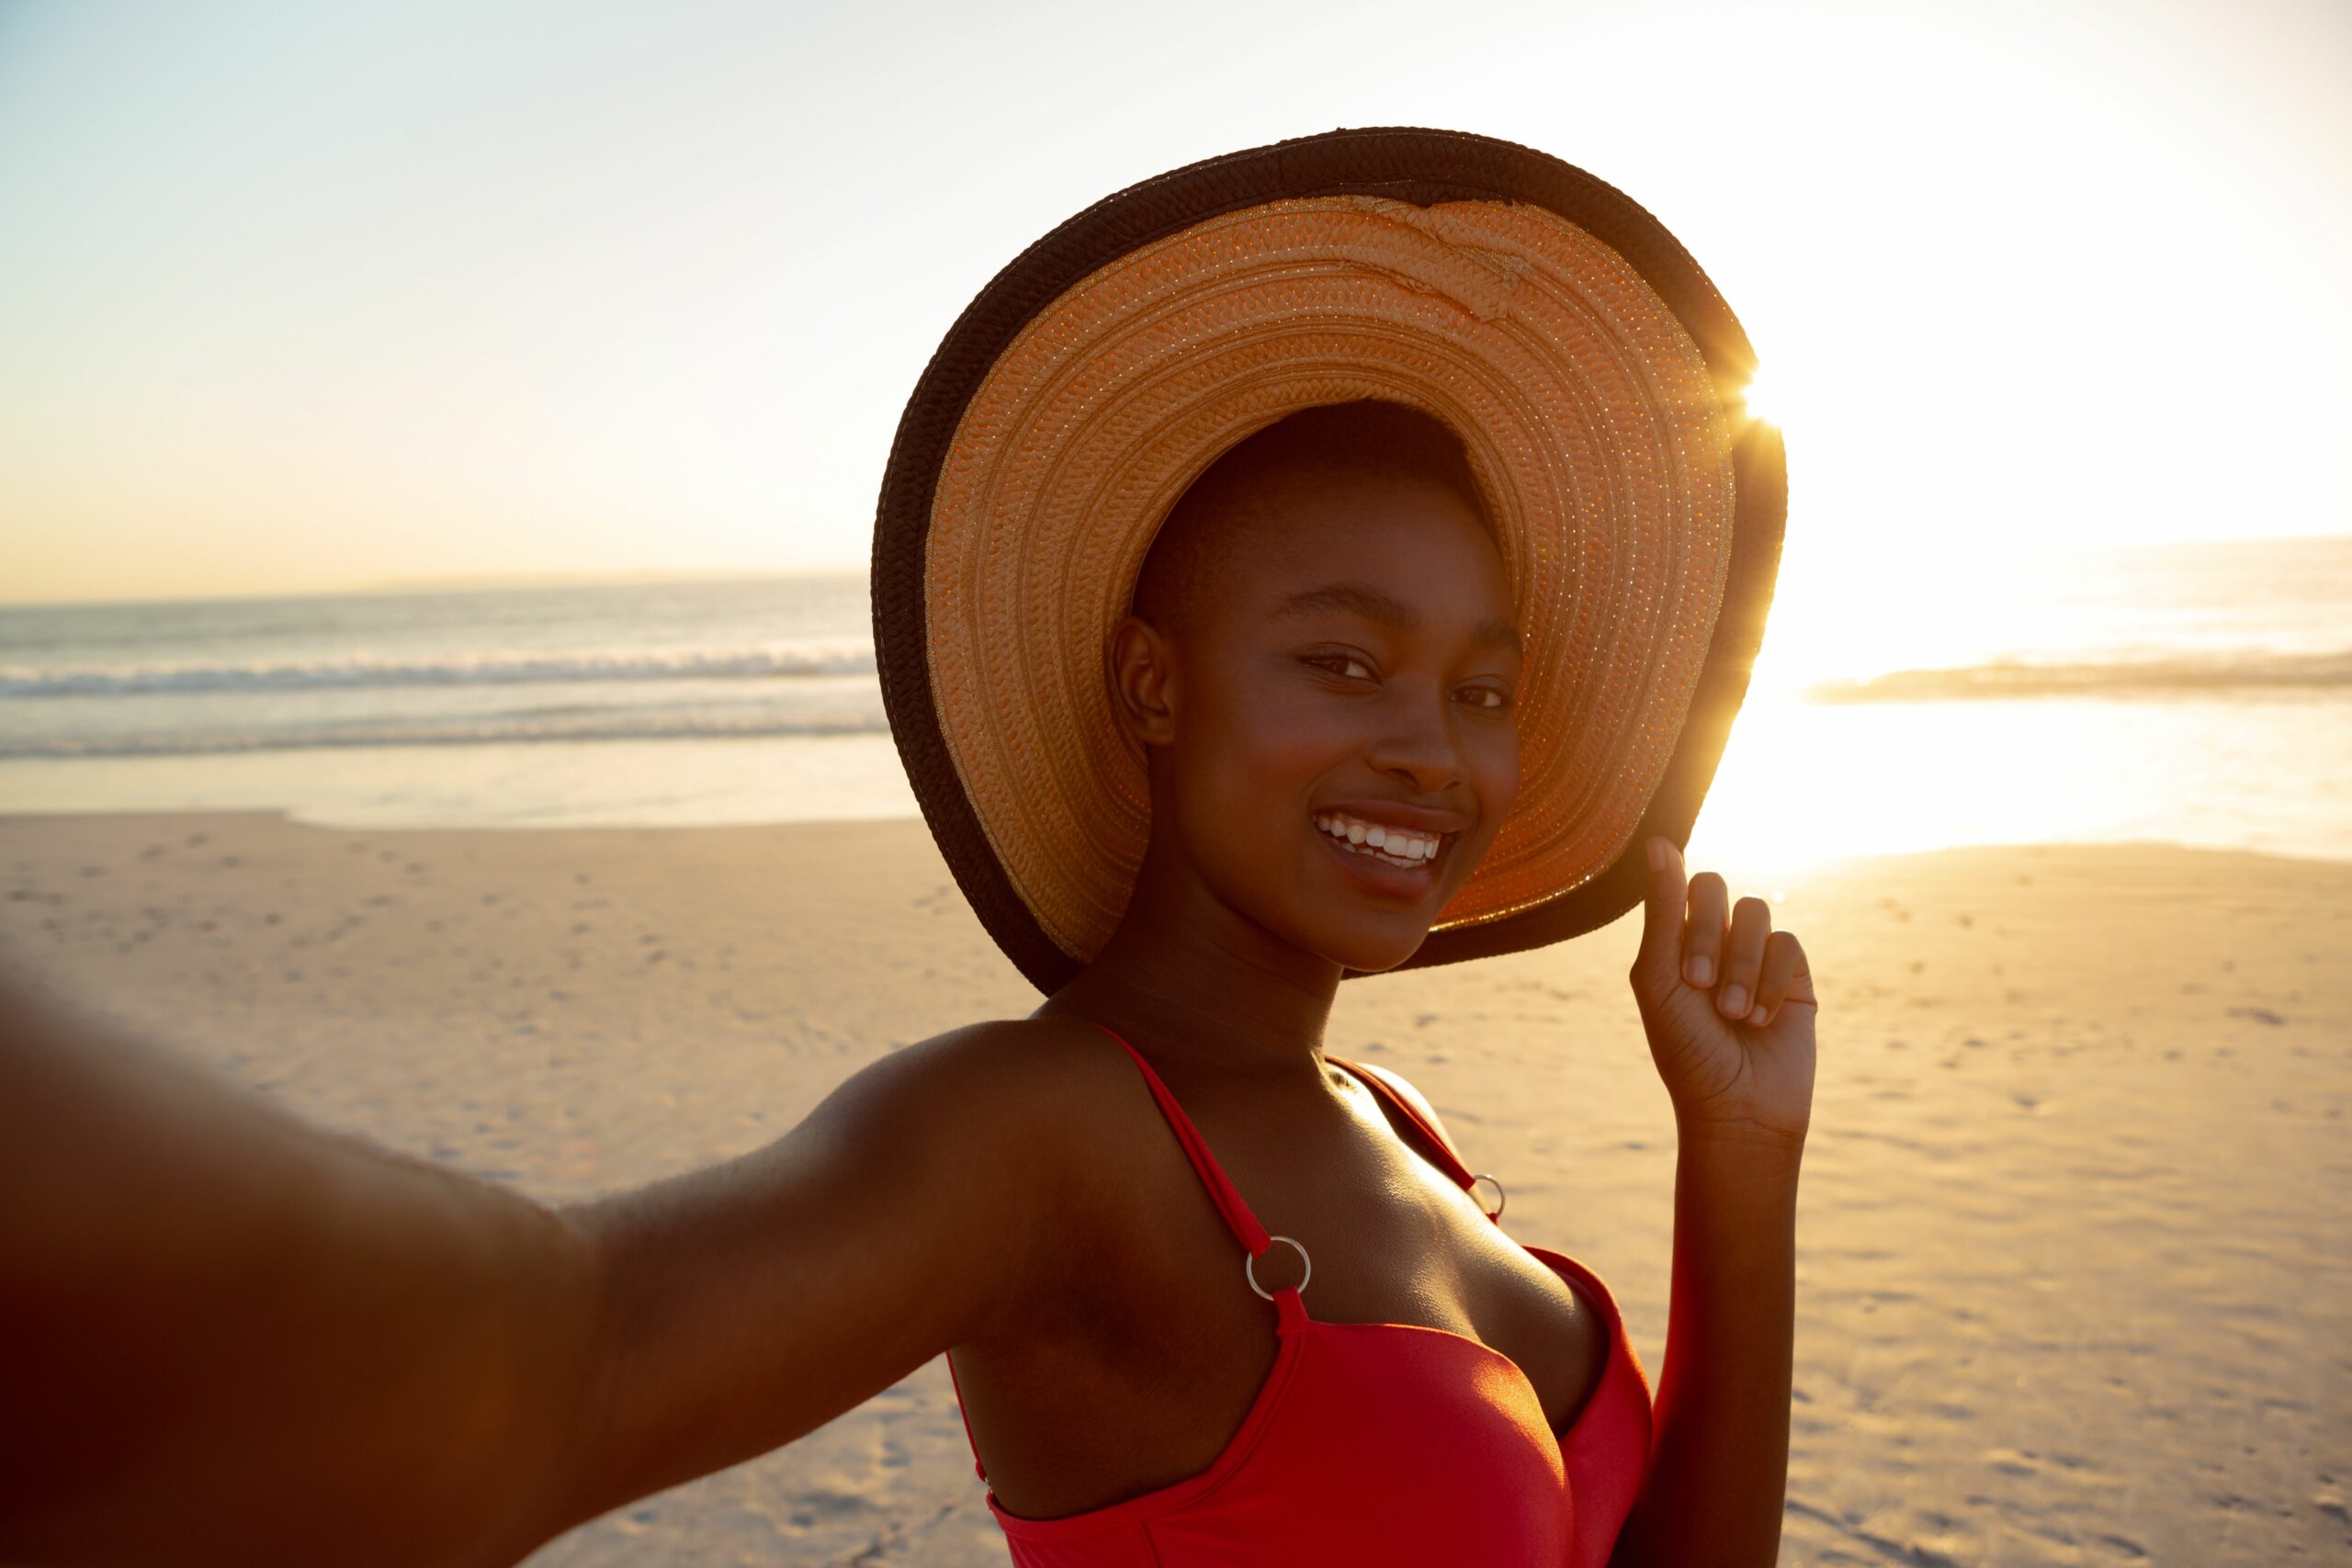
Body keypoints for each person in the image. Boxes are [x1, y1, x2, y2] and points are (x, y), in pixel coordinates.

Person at [0, 130, 1811, 1567]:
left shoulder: (1395, 1118)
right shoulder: (1040, 1138)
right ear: (1153, 686)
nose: (1429, 744)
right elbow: (559, 1361)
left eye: (1481, 686)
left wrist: (1737, 1157)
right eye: (1340, 658)